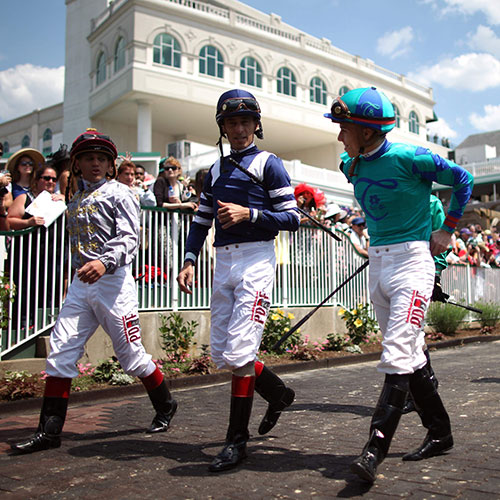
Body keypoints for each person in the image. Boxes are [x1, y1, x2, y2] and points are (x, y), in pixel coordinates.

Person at [324, 86, 474, 483]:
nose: (340, 136)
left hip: (412, 265)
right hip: (379, 264)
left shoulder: (412, 157)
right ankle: (440, 432)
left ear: (368, 131)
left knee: (396, 353)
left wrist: (447, 230)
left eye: (345, 128)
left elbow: (464, 178)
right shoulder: (349, 165)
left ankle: (374, 449)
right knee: (413, 353)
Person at [11, 129, 177, 455]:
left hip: (114, 284)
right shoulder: (73, 199)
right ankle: (49, 431)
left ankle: (166, 404)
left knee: (130, 357)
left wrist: (104, 262)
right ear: (77, 163)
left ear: (111, 164)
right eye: (89, 158)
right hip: (80, 284)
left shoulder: (122, 193)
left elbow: (130, 238)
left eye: (102, 158)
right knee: (61, 351)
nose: (96, 163)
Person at [177, 89, 300, 472]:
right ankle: (277, 393)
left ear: (256, 124)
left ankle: (236, 441)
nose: (239, 128)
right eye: (231, 122)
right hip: (223, 262)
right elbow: (201, 219)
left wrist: (251, 214)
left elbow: (292, 218)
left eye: (246, 121)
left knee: (242, 352)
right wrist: (189, 259)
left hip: (256, 259)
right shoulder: (214, 171)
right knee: (223, 354)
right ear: (223, 127)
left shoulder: (270, 163)